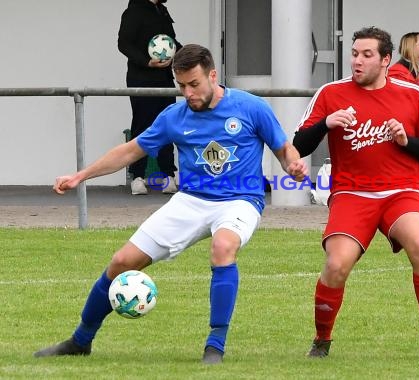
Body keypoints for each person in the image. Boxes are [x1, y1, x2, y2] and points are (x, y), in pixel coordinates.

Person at [33, 44, 308, 364]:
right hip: (190, 201)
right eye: (181, 86)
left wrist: (293, 164)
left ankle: (214, 346)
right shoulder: (174, 117)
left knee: (223, 247)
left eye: (194, 84)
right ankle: (81, 340)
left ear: (212, 75)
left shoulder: (251, 107)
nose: (188, 93)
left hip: (239, 201)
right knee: (122, 261)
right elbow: (130, 151)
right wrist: (82, 175)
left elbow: (283, 147)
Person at [293, 26, 419, 360]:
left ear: (386, 60)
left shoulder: (411, 94)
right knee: (336, 264)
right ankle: (321, 341)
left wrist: (406, 140)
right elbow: (299, 145)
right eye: (354, 54)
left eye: (366, 55)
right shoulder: (331, 93)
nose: (357, 61)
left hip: (403, 190)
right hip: (352, 193)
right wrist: (326, 124)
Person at [118, 0, 183, 195]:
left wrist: (187, 54)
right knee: (142, 125)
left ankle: (168, 175)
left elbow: (171, 42)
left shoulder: (162, 12)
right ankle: (137, 176)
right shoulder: (133, 12)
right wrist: (147, 62)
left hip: (164, 78)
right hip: (141, 79)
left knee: (168, 123)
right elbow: (124, 44)